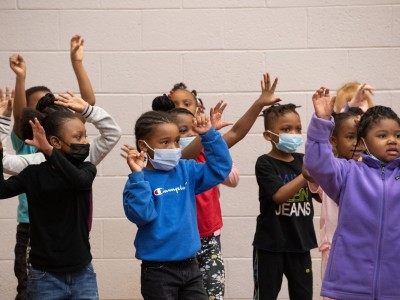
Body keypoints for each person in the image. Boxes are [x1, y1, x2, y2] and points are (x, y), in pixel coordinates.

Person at [154, 73, 280, 299]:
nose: (186, 134)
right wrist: (206, 134)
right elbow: (186, 152)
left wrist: (259, 102)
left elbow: (237, 131)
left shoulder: (205, 148)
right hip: (180, 244)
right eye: (180, 132)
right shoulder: (176, 159)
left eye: (189, 129)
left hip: (209, 238)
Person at [8, 34, 96, 300]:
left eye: (51, 104)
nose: (45, 109)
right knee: (27, 286)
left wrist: (77, 63)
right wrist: (21, 78)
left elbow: (89, 107)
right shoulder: (27, 143)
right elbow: (21, 114)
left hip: (70, 228)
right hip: (32, 225)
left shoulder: (72, 150)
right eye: (38, 106)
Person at [122, 110, 232, 299]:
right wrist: (138, 177)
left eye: (176, 141)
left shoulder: (185, 169)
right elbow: (142, 215)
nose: (174, 148)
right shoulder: (137, 181)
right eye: (165, 142)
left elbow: (220, 169)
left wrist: (209, 135)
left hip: (191, 266)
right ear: (143, 145)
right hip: (158, 271)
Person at [305, 87, 400, 300]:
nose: (392, 140)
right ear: (364, 140)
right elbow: (316, 163)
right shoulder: (348, 172)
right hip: (349, 285)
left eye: (398, 135)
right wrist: (322, 122)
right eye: (382, 135)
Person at [0, 108, 98, 299]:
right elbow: (1, 191)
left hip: (82, 273)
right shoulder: (33, 174)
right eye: (78, 137)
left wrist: (49, 151)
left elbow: (79, 181)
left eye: (85, 136)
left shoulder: (87, 169)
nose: (85, 142)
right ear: (55, 142)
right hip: (44, 276)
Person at [253, 103, 317, 300]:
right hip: (271, 246)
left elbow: (319, 195)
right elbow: (279, 195)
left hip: (300, 243)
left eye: (298, 128)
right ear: (268, 135)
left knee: (303, 295)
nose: (294, 133)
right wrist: (305, 175)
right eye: (286, 129)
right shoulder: (264, 163)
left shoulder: (303, 160)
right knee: (266, 295)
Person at [303, 107, 363, 299]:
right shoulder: (329, 171)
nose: (358, 144)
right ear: (334, 140)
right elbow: (308, 168)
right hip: (334, 249)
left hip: (361, 248)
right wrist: (324, 126)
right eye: (351, 137)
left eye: (361, 137)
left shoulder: (369, 169)